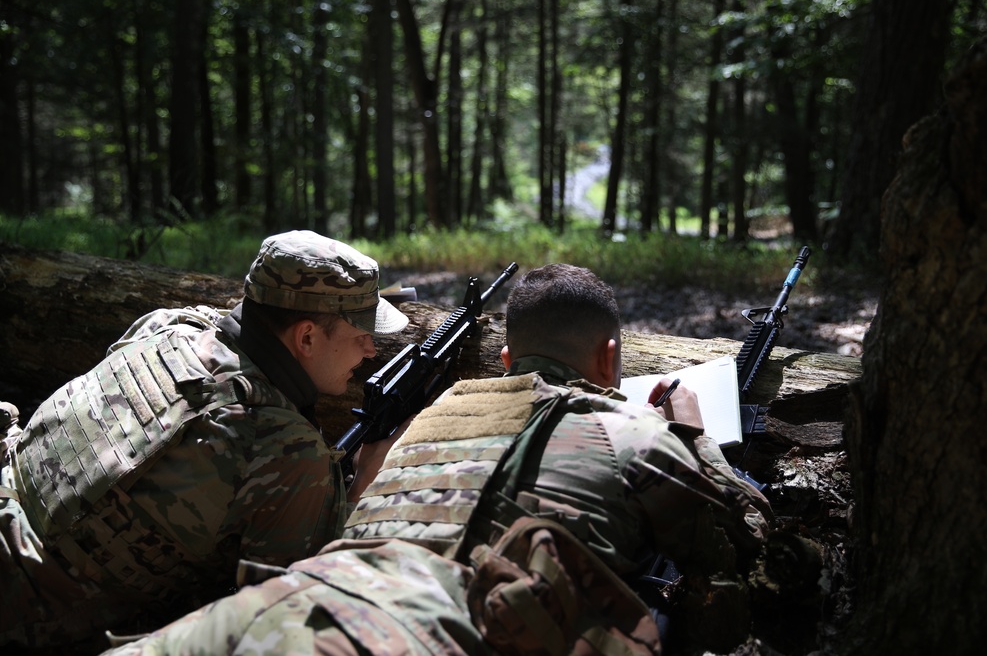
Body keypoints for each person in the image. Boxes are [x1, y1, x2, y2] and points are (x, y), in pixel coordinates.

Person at [96, 263, 773, 656]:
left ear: (505, 362)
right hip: (405, 633)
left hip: (278, 601)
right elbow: (755, 541)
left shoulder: (430, 420)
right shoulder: (634, 431)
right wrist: (690, 434)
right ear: (608, 360)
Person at [0, 230, 409, 651]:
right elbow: (291, 609)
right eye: (360, 332)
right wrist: (361, 488)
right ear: (306, 338)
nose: (371, 349)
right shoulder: (286, 449)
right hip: (30, 621)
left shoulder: (170, 327)